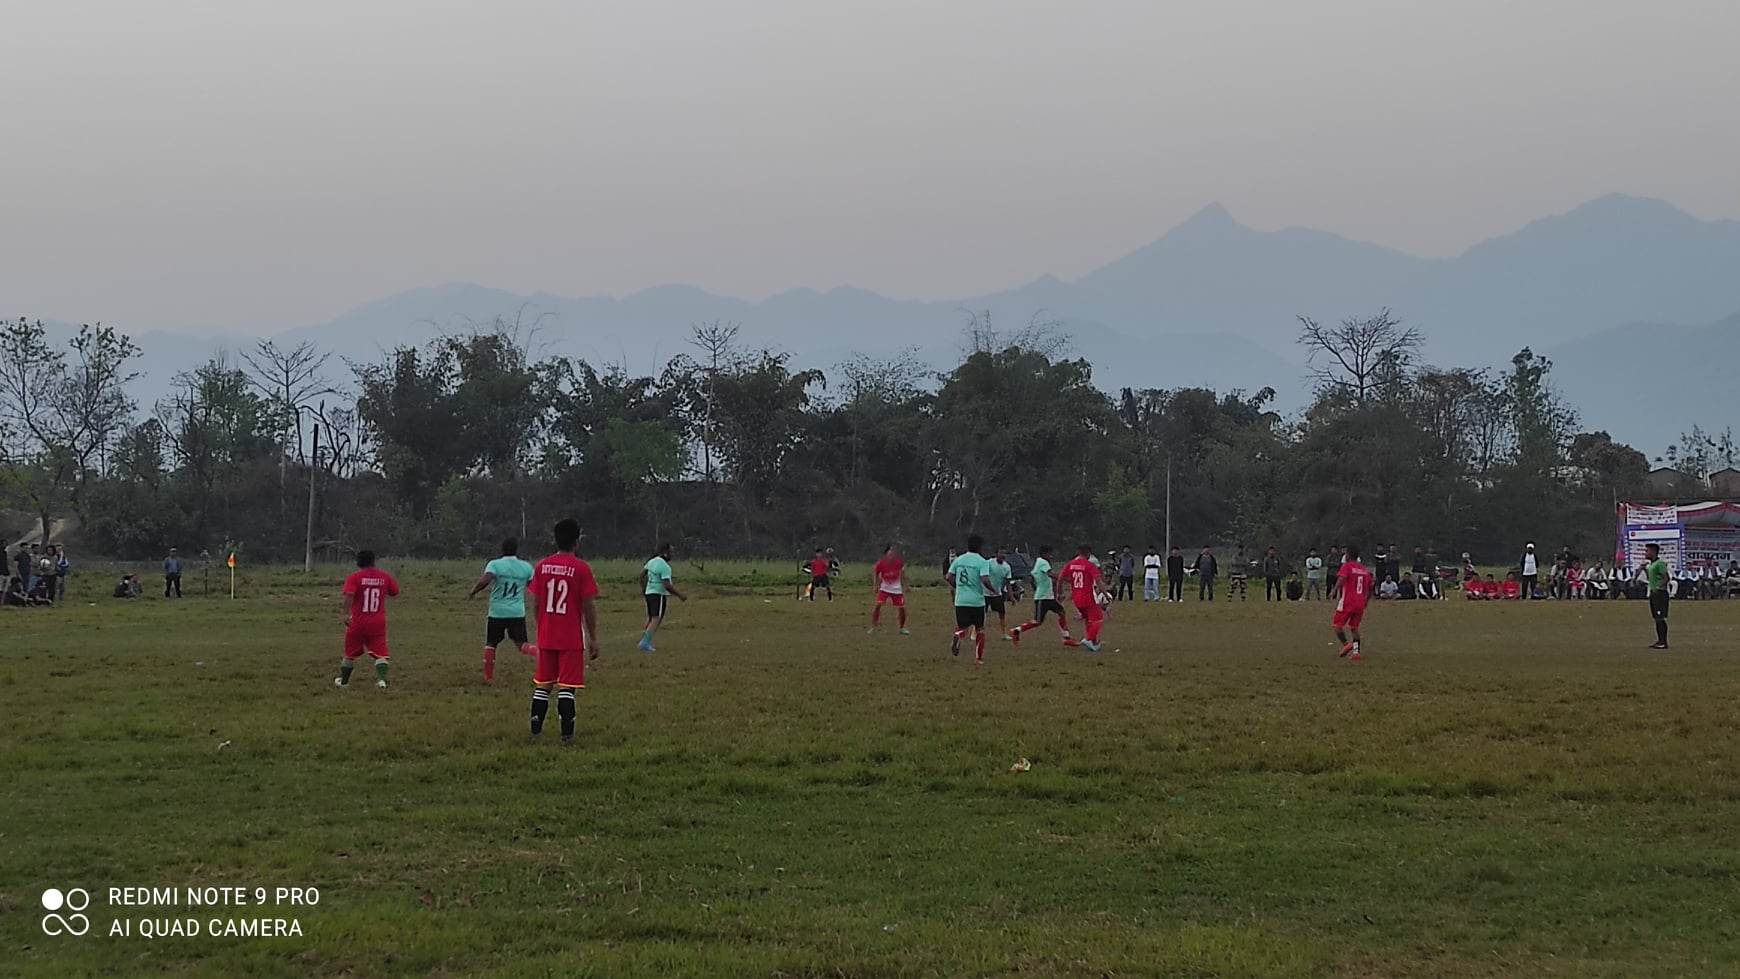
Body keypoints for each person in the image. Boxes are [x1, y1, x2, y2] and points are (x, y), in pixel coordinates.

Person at [526, 518, 602, 743]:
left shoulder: (542, 566)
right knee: (567, 687)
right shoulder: (581, 568)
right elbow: (588, 606)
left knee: (544, 684)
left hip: (547, 634)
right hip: (570, 636)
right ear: (576, 541)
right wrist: (593, 638)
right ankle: (567, 735)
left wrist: (540, 628)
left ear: (555, 539)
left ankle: (535, 729)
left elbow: (537, 603)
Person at [469, 537, 537, 683]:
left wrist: (474, 591)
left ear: (502, 549)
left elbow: (486, 579)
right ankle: (539, 653)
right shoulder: (526, 567)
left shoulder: (495, 564)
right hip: (517, 612)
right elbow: (534, 587)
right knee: (522, 645)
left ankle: (488, 677)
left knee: (491, 644)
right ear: (516, 549)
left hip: (497, 612)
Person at [334, 549, 399, 689]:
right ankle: (381, 680)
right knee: (381, 653)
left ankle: (344, 682)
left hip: (357, 621)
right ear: (373, 561)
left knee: (349, 654)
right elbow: (394, 592)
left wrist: (345, 614)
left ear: (358, 562)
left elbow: (349, 595)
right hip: (377, 622)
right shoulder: (384, 576)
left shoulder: (354, 577)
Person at [945, 535, 996, 664]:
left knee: (962, 626)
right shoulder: (982, 561)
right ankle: (978, 658)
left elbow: (948, 576)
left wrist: (958, 587)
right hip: (977, 601)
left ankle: (958, 635)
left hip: (961, 600)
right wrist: (993, 590)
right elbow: (984, 579)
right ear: (980, 547)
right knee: (980, 629)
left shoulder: (959, 560)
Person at [1010, 544, 1074, 646]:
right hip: (1042, 598)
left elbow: (1033, 576)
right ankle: (1016, 630)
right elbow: (1050, 574)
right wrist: (1065, 579)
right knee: (1037, 621)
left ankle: (1066, 637)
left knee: (1061, 612)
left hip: (1047, 597)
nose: (1051, 556)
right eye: (1050, 554)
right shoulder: (1043, 562)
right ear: (1044, 554)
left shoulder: (1038, 562)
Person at [637, 542, 685, 652]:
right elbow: (666, 585)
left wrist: (644, 589)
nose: (673, 554)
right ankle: (644, 643)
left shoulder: (652, 561)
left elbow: (641, 575)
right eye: (671, 552)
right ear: (666, 552)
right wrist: (680, 595)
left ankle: (645, 640)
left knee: (650, 617)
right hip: (658, 594)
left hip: (649, 593)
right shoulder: (665, 566)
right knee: (656, 618)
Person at [1332, 544, 1374, 661]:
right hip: (1360, 602)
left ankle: (1346, 644)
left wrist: (1334, 590)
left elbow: (1342, 578)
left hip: (1348, 601)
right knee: (1354, 627)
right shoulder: (1364, 569)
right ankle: (1356, 653)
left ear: (1348, 555)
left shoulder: (1347, 566)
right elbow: (1371, 587)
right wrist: (1366, 600)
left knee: (1337, 625)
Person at [1062, 544, 1106, 652]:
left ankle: (1093, 642)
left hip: (1077, 597)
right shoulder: (1090, 564)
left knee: (1088, 619)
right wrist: (1105, 593)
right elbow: (1099, 579)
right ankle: (1088, 639)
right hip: (1089, 595)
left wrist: (1060, 591)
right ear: (1088, 553)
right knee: (1098, 619)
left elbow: (1061, 577)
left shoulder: (1071, 563)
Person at [868, 543, 910, 635]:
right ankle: (873, 627)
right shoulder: (881, 562)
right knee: (877, 606)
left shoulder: (899, 562)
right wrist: (875, 585)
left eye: (894, 551)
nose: (893, 553)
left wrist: (906, 586)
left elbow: (903, 574)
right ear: (887, 552)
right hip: (885, 588)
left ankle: (902, 628)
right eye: (891, 550)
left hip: (896, 589)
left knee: (902, 608)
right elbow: (875, 573)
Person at [1644, 542, 1671, 649]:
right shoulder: (1651, 565)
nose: (1646, 553)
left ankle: (1663, 641)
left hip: (1660, 594)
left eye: (1647, 551)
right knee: (1656, 618)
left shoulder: (1659, 563)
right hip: (1654, 594)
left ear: (1653, 551)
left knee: (1660, 618)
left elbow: (1666, 577)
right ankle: (1659, 640)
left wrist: (1659, 587)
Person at [987, 548, 1015, 637]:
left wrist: (1011, 596)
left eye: (1005, 553)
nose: (1003, 555)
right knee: (980, 614)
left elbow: (1008, 583)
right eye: (1001, 553)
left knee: (1002, 613)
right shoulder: (989, 563)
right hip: (985, 593)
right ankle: (975, 632)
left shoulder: (1007, 567)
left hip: (997, 593)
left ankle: (1003, 634)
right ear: (996, 554)